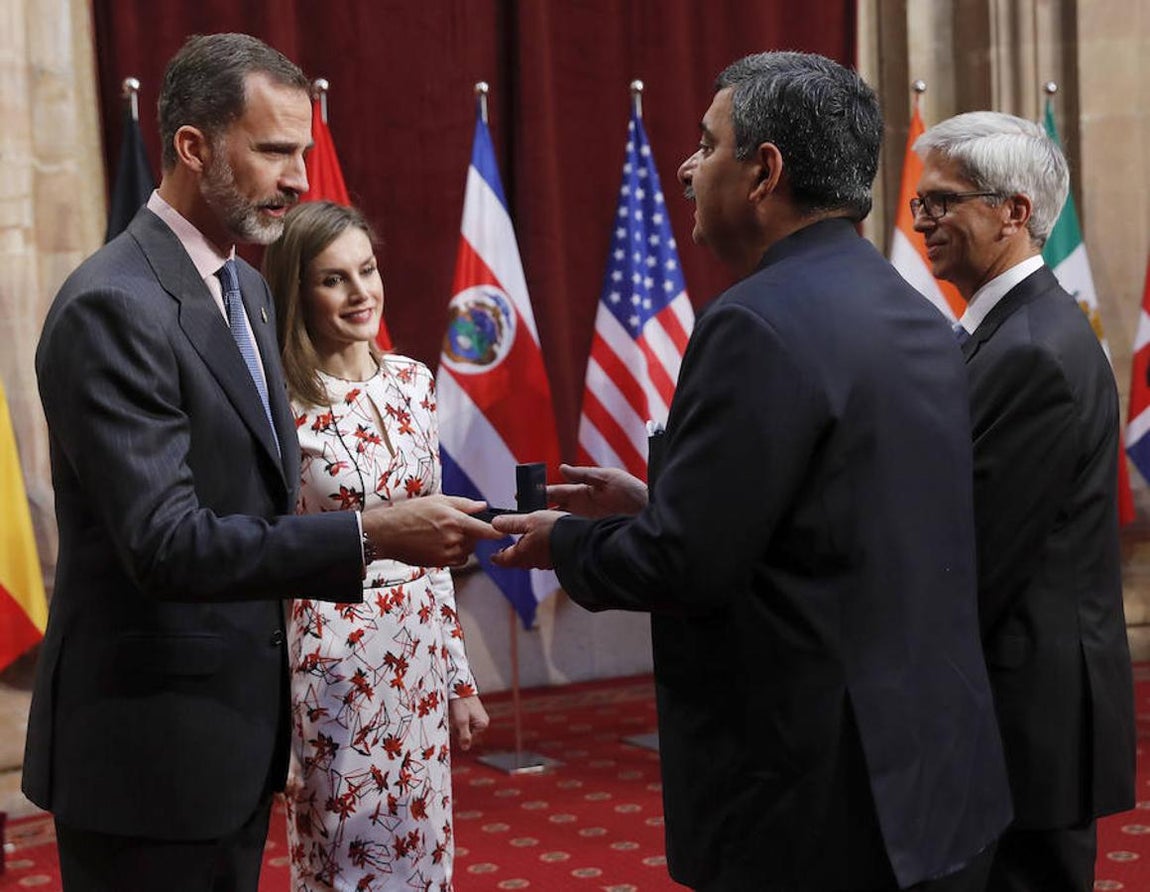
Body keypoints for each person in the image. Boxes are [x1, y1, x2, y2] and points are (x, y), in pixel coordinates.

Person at [491, 51, 1012, 891]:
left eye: (707, 142)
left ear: (764, 171)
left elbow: (687, 563)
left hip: (817, 801)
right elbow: (834, 517)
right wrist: (660, 504)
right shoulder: (915, 313)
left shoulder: (753, 324)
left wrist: (568, 542)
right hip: (933, 777)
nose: (687, 166)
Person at [23, 33, 498, 892]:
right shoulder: (112, 305)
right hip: (149, 753)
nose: (300, 179)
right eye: (275, 150)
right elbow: (167, 543)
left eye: (304, 151)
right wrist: (370, 533)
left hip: (238, 738)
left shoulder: (243, 287)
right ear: (193, 147)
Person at [912, 111, 1136, 891]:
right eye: (919, 204)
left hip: (1026, 714)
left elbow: (981, 556)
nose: (924, 221)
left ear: (1015, 212)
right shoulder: (1004, 332)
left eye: (943, 202)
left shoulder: (1034, 349)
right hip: (1012, 700)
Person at [262, 200, 489, 890]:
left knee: (424, 855)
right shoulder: (278, 401)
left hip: (416, 655)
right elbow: (265, 560)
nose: (361, 292)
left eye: (367, 269)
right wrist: (280, 731)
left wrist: (458, 680)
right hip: (330, 669)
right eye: (334, 279)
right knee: (347, 862)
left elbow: (438, 540)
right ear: (298, 290)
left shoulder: (415, 384)